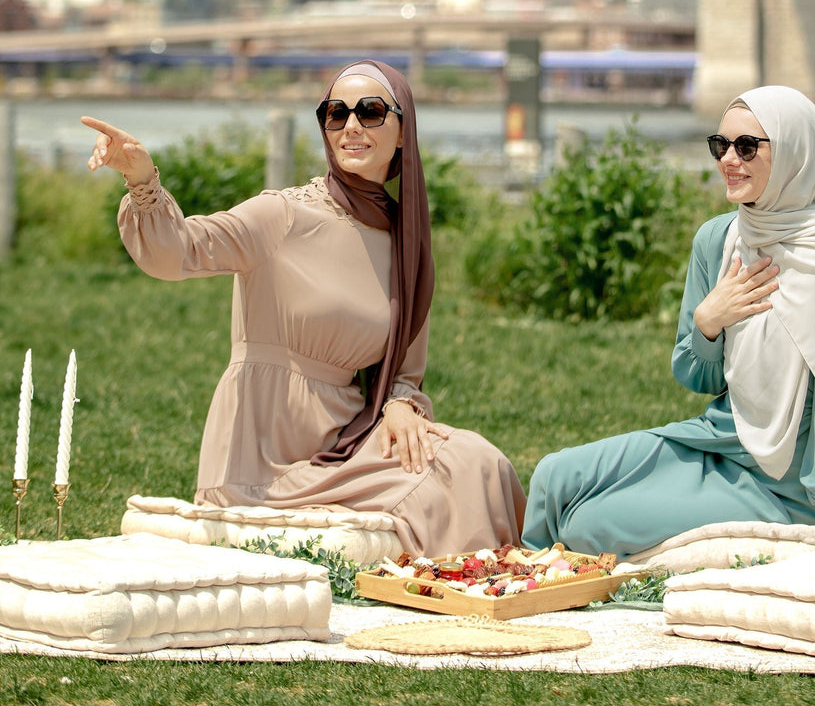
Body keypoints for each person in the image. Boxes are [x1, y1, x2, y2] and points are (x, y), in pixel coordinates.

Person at [82, 61, 525, 557]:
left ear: (403, 132)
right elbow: (177, 251)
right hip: (262, 454)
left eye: (371, 112)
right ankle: (463, 587)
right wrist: (142, 180)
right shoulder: (284, 213)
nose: (351, 126)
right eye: (336, 114)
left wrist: (400, 402)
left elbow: (404, 370)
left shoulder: (406, 243)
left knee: (478, 462)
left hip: (347, 441)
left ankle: (492, 590)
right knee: (450, 478)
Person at [523, 85, 815, 559]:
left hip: (785, 488)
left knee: (585, 527)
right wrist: (708, 322)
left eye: (747, 147)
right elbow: (695, 374)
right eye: (720, 145)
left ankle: (538, 587)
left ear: (793, 155)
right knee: (554, 476)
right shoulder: (717, 241)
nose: (729, 159)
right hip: (718, 440)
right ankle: (517, 578)